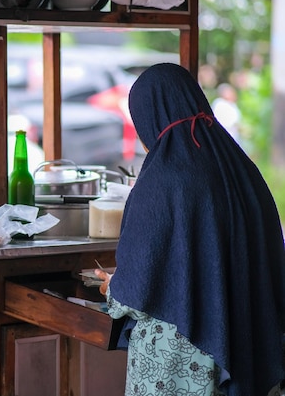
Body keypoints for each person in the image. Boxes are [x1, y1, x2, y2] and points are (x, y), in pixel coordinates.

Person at [95, 63, 285, 396]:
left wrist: (114, 287)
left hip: (179, 359)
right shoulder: (243, 170)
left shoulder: (163, 179)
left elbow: (138, 290)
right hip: (247, 341)